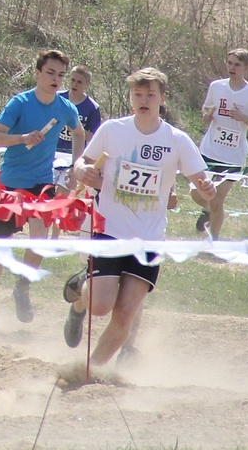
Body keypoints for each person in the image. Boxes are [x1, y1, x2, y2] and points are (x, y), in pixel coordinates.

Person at [66, 67, 216, 367]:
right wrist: (82, 170)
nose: (143, 99)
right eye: (138, 94)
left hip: (148, 239)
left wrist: (205, 191)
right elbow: (82, 163)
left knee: (125, 313)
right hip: (110, 230)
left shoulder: (177, 139)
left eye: (150, 94)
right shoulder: (112, 130)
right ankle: (80, 297)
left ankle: (90, 369)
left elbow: (199, 188)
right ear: (130, 98)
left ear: (162, 98)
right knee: (100, 306)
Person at [0, 50, 85, 323]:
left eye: (61, 75)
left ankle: (22, 287)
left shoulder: (65, 108)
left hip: (42, 184)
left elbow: (79, 133)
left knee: (39, 236)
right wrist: (23, 138)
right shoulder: (20, 102)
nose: (56, 79)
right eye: (50, 73)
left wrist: (77, 165)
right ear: (38, 73)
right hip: (11, 185)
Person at [191, 48, 248, 240]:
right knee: (198, 195)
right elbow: (206, 108)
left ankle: (214, 240)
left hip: (233, 157)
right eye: (230, 63)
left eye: (237, 65)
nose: (232, 68)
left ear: (246, 68)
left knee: (218, 200)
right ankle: (207, 210)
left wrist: (244, 118)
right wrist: (206, 115)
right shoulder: (217, 86)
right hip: (209, 151)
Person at [51, 65, 102, 240]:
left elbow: (94, 136)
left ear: (86, 84)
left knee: (62, 193)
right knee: (45, 192)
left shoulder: (92, 107)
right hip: (52, 150)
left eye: (79, 82)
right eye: (72, 80)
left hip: (74, 154)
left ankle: (55, 237)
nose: (74, 84)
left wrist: (75, 127)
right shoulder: (58, 98)